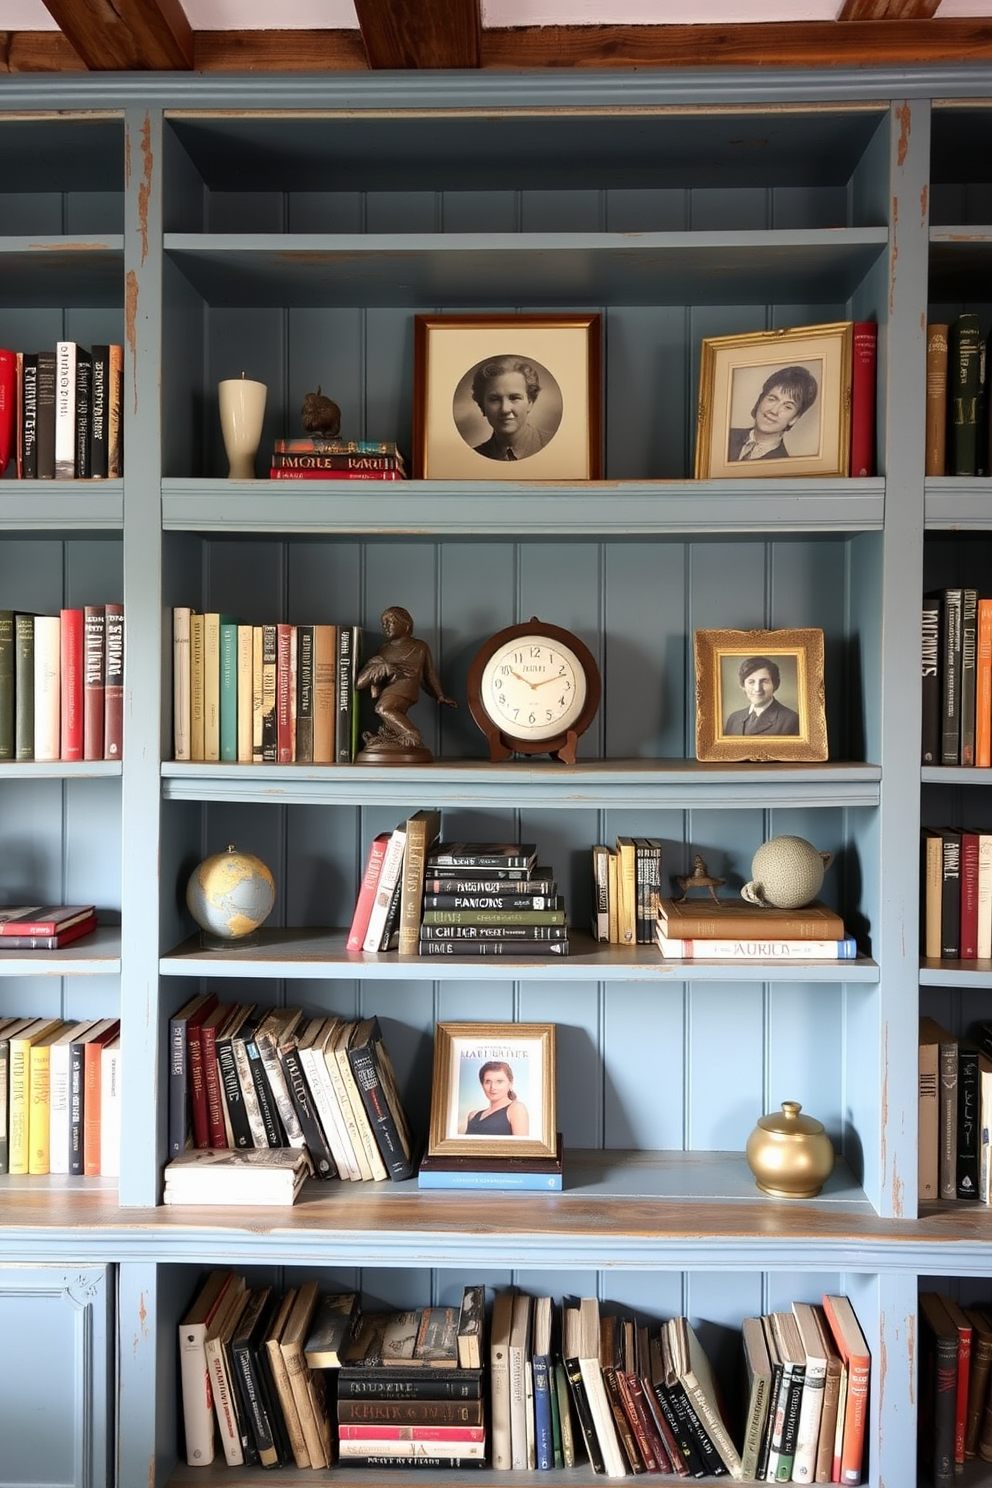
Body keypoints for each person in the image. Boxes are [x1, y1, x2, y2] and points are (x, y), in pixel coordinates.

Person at [355, 605, 456, 752]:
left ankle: (411, 733)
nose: (386, 626)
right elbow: (372, 672)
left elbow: (429, 674)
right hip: (388, 689)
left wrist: (440, 695)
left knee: (382, 709)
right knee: (391, 715)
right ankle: (391, 736)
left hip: (406, 688)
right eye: (384, 623)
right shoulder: (383, 649)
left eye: (391, 622)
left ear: (406, 625)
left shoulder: (419, 646)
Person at [727, 364, 819, 462]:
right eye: (772, 399)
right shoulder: (727, 436)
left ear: (794, 419)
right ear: (760, 400)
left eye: (787, 407)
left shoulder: (784, 465)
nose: (774, 411)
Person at [470, 356, 551, 461]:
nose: (505, 409)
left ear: (530, 403)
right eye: (495, 399)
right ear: (482, 406)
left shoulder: (555, 446)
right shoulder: (473, 457)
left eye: (514, 398)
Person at [723, 655, 800, 736]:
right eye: (751, 682)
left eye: (764, 681)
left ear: (775, 684)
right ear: (743, 686)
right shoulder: (734, 718)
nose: (757, 688)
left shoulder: (791, 720)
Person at [461, 1060, 529, 1137]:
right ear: (482, 1084)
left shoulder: (516, 1108)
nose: (492, 1087)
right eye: (488, 1082)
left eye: (499, 1081)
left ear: (510, 1084)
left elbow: (521, 1147)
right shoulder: (473, 1115)